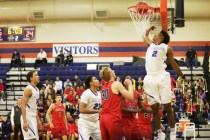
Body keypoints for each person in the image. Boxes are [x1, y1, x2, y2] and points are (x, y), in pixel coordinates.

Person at [142, 26, 186, 140]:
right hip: (150, 78)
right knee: (155, 107)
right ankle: (160, 132)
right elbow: (144, 36)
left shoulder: (167, 48)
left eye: (156, 34)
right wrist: (148, 30)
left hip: (162, 76)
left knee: (167, 106)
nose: (154, 35)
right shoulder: (151, 45)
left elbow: (174, 63)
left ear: (161, 36)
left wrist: (182, 76)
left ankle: (172, 131)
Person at [99, 67, 134, 140]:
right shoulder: (116, 84)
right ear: (110, 73)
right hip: (113, 118)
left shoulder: (103, 87)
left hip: (103, 118)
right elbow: (130, 97)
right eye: (112, 70)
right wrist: (130, 84)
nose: (113, 71)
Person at [121, 75, 151, 140]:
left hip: (133, 120)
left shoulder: (136, 94)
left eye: (130, 78)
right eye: (127, 78)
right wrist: (136, 111)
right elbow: (122, 109)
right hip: (124, 121)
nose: (129, 79)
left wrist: (154, 110)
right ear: (123, 82)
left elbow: (142, 108)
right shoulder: (121, 93)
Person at [78, 75, 102, 140]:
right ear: (91, 83)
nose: (98, 80)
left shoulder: (100, 94)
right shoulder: (86, 93)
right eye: (95, 79)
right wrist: (97, 111)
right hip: (85, 122)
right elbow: (81, 109)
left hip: (96, 122)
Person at [21, 71, 42, 140]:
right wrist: (25, 121)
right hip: (27, 116)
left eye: (38, 75)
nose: (38, 76)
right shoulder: (28, 89)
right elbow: (23, 105)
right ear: (31, 78)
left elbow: (34, 107)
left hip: (33, 116)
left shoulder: (37, 90)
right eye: (36, 75)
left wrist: (38, 120)